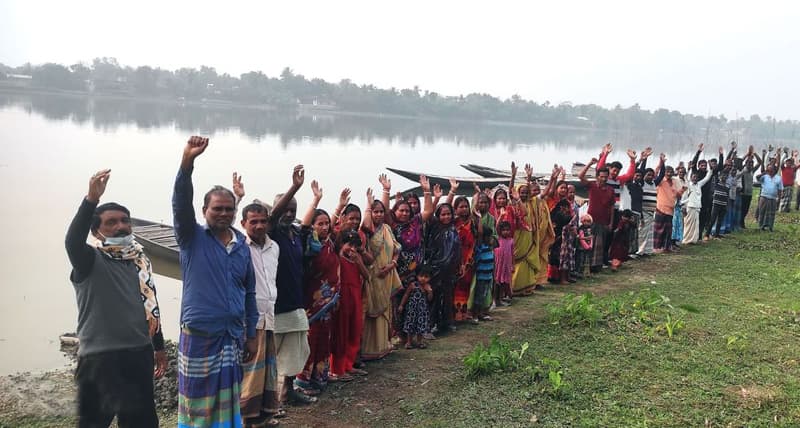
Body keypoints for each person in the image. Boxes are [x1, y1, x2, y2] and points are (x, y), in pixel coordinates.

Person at [65, 169, 164, 428]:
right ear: (96, 233)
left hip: (138, 354)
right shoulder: (88, 260)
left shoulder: (139, 261)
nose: (121, 226)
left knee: (141, 423)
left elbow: (149, 307)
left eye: (125, 220)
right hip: (100, 359)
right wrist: (90, 200)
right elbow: (72, 241)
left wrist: (159, 346)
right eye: (111, 222)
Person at [172, 136, 258, 428]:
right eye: (216, 209)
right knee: (196, 404)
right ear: (204, 211)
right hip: (199, 335)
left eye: (228, 209)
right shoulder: (191, 238)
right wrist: (187, 162)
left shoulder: (242, 246)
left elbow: (248, 292)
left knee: (228, 399)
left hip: (231, 336)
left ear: (235, 212)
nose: (223, 213)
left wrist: (251, 333)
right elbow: (180, 202)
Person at [267, 165, 318, 406]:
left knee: (296, 351)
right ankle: (265, 399)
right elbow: (273, 216)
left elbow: (307, 225)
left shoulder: (296, 235)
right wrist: (294, 187)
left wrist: (316, 200)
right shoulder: (272, 233)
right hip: (275, 305)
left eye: (293, 210)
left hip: (295, 302)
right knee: (269, 356)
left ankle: (288, 391)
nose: (289, 214)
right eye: (285, 209)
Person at [238, 196, 283, 427]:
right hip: (249, 319)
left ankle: (263, 416)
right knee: (249, 373)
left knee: (267, 371)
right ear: (243, 222)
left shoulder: (274, 247)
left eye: (263, 221)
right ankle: (246, 420)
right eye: (253, 221)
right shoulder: (238, 246)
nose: (259, 226)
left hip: (269, 315)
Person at [294, 180, 338, 396]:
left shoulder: (331, 242)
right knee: (309, 339)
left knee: (324, 338)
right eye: (319, 224)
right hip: (311, 302)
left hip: (329, 302)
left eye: (326, 223)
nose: (324, 227)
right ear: (312, 225)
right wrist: (316, 200)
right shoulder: (308, 245)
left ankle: (319, 376)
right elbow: (302, 228)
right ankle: (302, 380)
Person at [361, 186, 401, 361]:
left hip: (387, 274)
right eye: (375, 212)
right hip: (372, 275)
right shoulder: (367, 230)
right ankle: (369, 348)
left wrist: (392, 264)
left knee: (385, 310)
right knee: (371, 309)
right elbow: (366, 225)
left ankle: (383, 345)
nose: (378, 215)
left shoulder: (387, 228)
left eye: (380, 212)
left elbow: (397, 248)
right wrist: (368, 205)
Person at [329, 230, 370, 381]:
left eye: (355, 246)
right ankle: (337, 369)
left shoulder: (356, 259)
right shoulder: (337, 259)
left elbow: (367, 276)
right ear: (341, 244)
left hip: (355, 297)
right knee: (341, 332)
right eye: (349, 245)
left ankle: (348, 364)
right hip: (343, 297)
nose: (352, 249)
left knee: (354, 329)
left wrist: (359, 261)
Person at [579, 159, 614, 273]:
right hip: (590, 220)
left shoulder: (610, 190)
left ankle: (596, 266)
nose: (603, 179)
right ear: (597, 176)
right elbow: (581, 176)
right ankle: (586, 267)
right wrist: (589, 164)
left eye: (605, 177)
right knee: (588, 243)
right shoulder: (592, 186)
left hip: (604, 221)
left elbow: (612, 207)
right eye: (601, 176)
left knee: (600, 244)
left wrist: (611, 223)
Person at [653, 156, 686, 252]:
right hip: (661, 208)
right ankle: (656, 247)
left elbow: (677, 195)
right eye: (667, 172)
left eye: (671, 172)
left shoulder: (674, 182)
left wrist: (682, 191)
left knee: (668, 230)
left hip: (671, 210)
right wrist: (661, 162)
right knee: (659, 229)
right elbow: (656, 172)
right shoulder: (660, 181)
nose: (669, 173)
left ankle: (666, 248)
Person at [398, 265, 433, 349]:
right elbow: (406, 295)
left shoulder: (428, 287)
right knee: (410, 324)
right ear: (417, 276)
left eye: (426, 277)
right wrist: (401, 305)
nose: (423, 278)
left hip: (422, 310)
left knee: (420, 326)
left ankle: (419, 342)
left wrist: (429, 292)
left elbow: (430, 299)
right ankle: (409, 342)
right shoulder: (413, 285)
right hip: (412, 309)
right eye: (421, 276)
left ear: (430, 278)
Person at [680, 167, 713, 245]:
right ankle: (686, 240)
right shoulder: (688, 185)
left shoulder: (699, 184)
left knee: (695, 225)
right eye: (693, 177)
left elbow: (707, 178)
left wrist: (710, 170)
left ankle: (693, 240)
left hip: (697, 207)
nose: (695, 178)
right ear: (691, 177)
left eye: (696, 177)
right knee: (688, 225)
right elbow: (684, 197)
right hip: (690, 207)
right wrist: (683, 207)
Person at [757, 163, 784, 232]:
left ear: (774, 170)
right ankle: (761, 226)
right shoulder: (765, 176)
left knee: (771, 213)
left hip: (773, 198)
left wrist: (779, 199)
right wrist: (764, 173)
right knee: (762, 212)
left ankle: (770, 227)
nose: (769, 171)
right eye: (768, 169)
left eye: (771, 169)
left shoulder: (778, 178)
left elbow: (780, 189)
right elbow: (757, 178)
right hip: (764, 197)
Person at [493, 221, 514, 305]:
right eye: (504, 230)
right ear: (500, 231)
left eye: (508, 230)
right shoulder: (498, 239)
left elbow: (513, 254)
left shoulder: (511, 241)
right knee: (496, 282)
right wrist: (501, 216)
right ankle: (495, 299)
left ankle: (501, 299)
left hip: (506, 265)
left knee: (503, 282)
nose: (506, 232)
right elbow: (497, 226)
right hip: (498, 265)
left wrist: (513, 265)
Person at [576, 214, 594, 278]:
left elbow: (591, 238)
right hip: (581, 248)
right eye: (585, 221)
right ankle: (578, 273)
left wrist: (590, 246)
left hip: (588, 247)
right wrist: (586, 246)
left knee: (586, 261)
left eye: (588, 221)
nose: (586, 223)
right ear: (582, 221)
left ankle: (586, 273)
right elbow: (581, 239)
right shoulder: (581, 229)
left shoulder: (590, 229)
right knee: (580, 260)